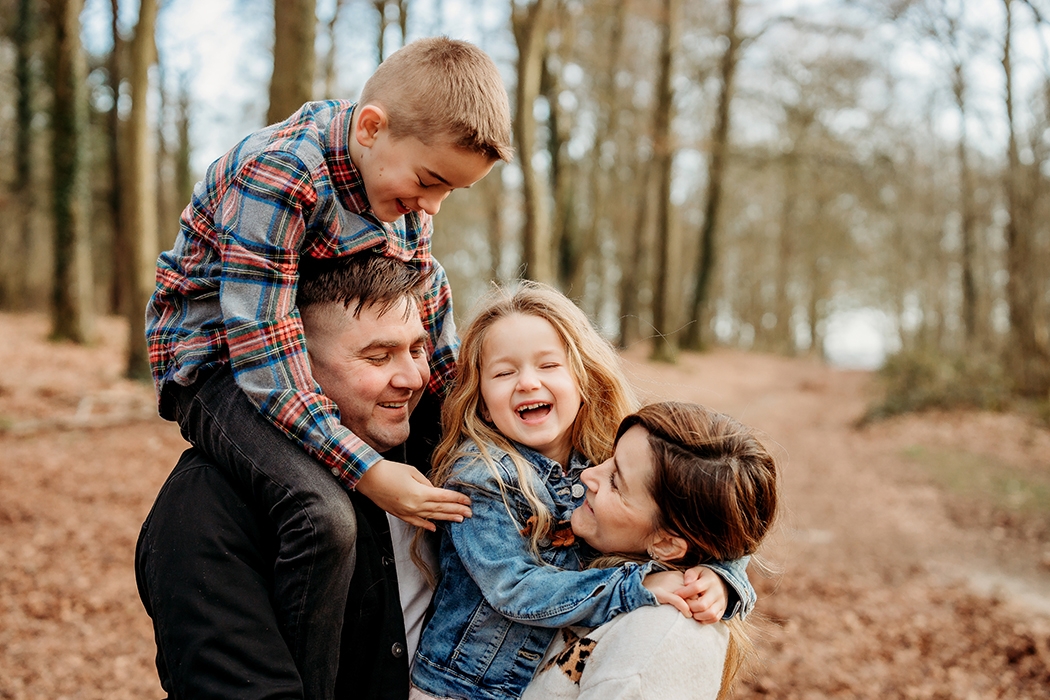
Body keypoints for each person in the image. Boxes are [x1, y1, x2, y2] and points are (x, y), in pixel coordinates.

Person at [143, 37, 512, 699]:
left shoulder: (399, 193)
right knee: (323, 515)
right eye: (430, 182)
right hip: (217, 364)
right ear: (372, 127)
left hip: (298, 352)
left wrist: (468, 409)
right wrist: (366, 471)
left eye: (451, 191)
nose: (432, 207)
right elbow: (263, 354)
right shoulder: (281, 172)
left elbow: (428, 303)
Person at [409, 284, 755, 700]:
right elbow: (516, 589)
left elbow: (703, 508)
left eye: (548, 365)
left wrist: (723, 578)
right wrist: (636, 586)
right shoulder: (480, 477)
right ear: (482, 400)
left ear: (582, 378)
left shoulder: (606, 455)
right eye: (504, 373)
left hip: (554, 665)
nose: (527, 382)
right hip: (467, 689)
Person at [137, 255, 444, 699]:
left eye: (417, 349)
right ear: (292, 363)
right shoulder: (207, 507)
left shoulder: (442, 458)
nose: (413, 377)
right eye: (378, 357)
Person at [522, 401, 779, 700]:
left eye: (616, 483)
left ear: (667, 544)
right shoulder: (597, 555)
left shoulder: (663, 641)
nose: (587, 475)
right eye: (609, 458)